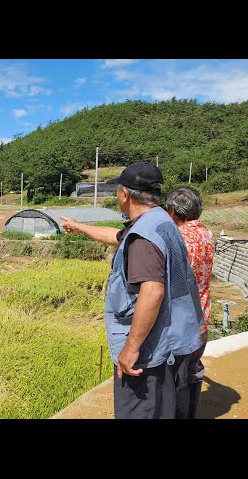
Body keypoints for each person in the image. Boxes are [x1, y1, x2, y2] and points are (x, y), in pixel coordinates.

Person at [60, 162, 204, 419]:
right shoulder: (160, 221)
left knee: (140, 411)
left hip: (151, 353)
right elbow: (119, 236)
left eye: (117, 190)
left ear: (125, 194)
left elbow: (152, 291)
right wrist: (79, 227)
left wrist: (131, 348)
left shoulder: (143, 239)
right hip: (177, 341)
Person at [165, 186, 215, 419]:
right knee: (193, 371)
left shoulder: (177, 238)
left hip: (181, 319)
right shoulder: (207, 233)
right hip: (202, 315)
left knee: (177, 378)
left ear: (174, 211)